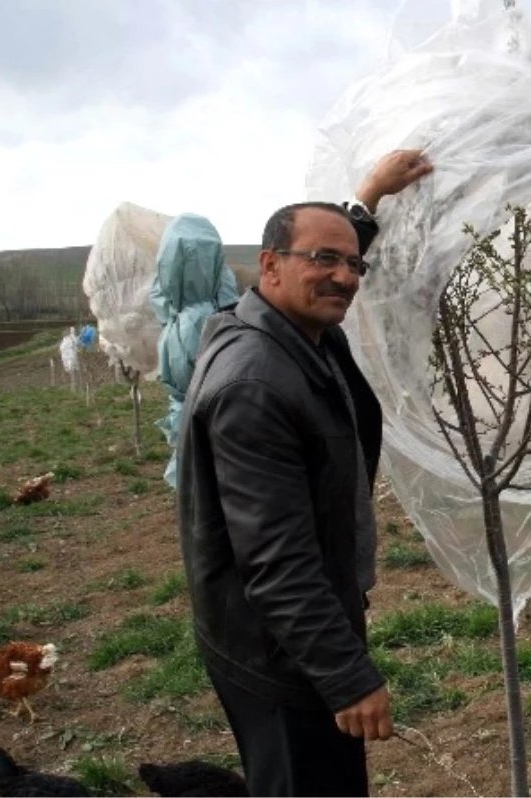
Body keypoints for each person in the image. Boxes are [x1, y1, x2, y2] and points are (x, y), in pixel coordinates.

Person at [175, 150, 432, 798]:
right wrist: (346, 675)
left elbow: (328, 257)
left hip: (281, 637)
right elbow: (277, 561)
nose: (344, 277)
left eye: (354, 264)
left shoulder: (283, 326)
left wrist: (370, 195)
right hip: (279, 655)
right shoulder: (256, 386)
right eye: (324, 259)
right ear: (268, 265)